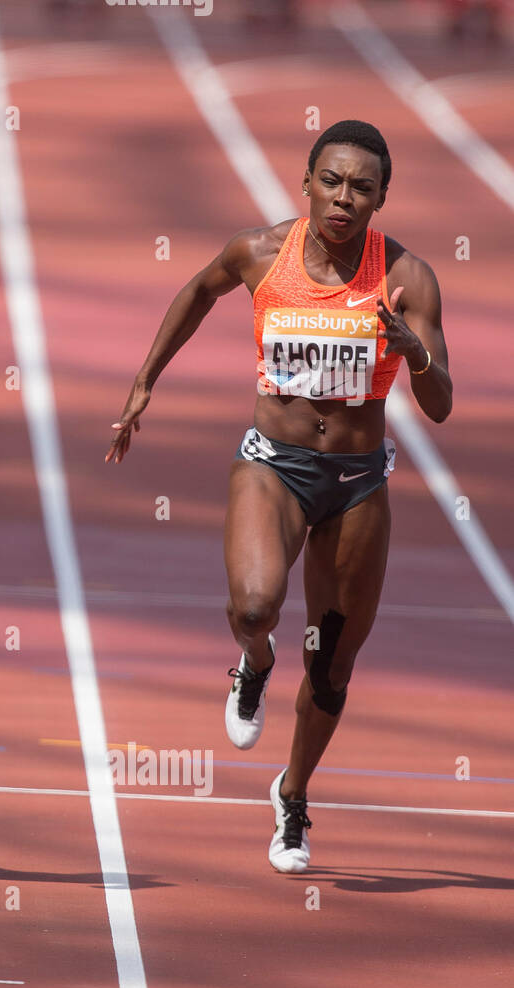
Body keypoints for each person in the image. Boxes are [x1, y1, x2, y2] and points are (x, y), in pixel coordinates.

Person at [107, 120, 451, 872]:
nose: (343, 198)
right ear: (306, 182)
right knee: (255, 606)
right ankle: (254, 659)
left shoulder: (407, 277)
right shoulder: (260, 252)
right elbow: (199, 289)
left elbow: (441, 403)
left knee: (331, 666)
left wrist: (413, 349)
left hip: (358, 483)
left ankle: (292, 794)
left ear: (381, 199)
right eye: (331, 180)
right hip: (274, 465)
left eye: (362, 187)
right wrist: (144, 381)